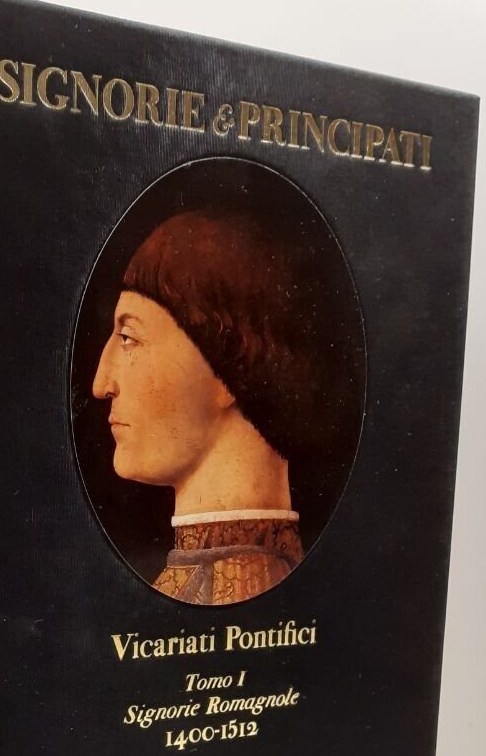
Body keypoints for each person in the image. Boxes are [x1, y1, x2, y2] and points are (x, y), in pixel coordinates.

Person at [92, 198, 358, 605]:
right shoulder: (278, 571)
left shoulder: (216, 589)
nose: (101, 384)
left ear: (226, 365)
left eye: (129, 338)